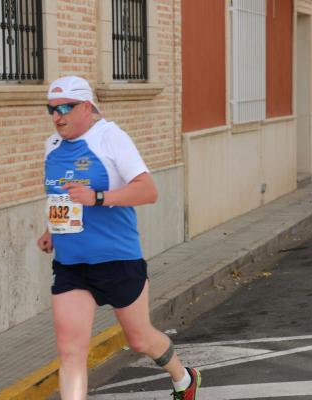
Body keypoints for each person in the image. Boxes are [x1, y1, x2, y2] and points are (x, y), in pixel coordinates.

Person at [37, 76, 201, 399]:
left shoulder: (110, 138)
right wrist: (51, 230)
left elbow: (148, 190)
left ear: (87, 107)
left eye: (65, 108)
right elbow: (61, 197)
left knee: (140, 339)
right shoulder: (51, 147)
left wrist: (97, 197)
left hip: (117, 259)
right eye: (51, 109)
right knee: (70, 352)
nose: (57, 116)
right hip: (71, 265)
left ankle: (184, 377)